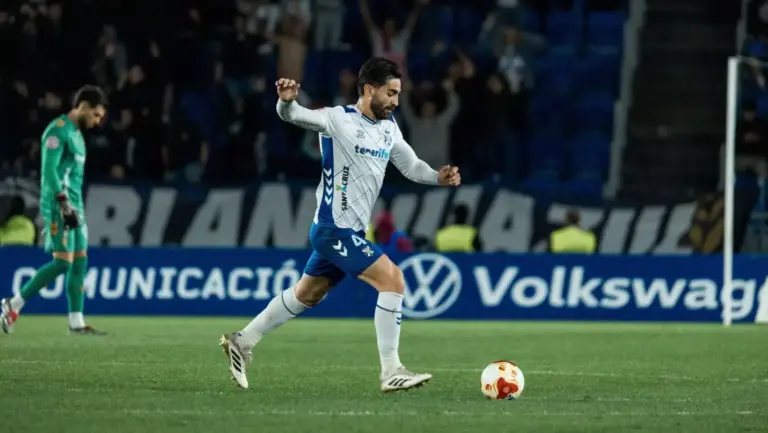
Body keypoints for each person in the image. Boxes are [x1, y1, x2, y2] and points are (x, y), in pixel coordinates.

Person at [220, 57, 461, 391]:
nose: (395, 101)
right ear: (368, 89)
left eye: (398, 94)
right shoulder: (337, 119)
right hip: (333, 229)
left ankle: (243, 341)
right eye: (390, 93)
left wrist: (438, 177)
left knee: (308, 293)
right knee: (392, 278)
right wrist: (286, 101)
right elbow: (294, 116)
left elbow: (411, 166)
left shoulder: (389, 128)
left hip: (350, 232)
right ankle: (391, 370)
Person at [1, 85, 108, 336]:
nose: (97, 122)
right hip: (59, 206)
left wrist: (73, 206)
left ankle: (76, 322)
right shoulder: (57, 131)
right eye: (96, 115)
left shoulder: (78, 136)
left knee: (80, 262)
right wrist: (62, 203)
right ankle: (13, 303)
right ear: (82, 107)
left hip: (75, 207)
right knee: (62, 263)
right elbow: (49, 171)